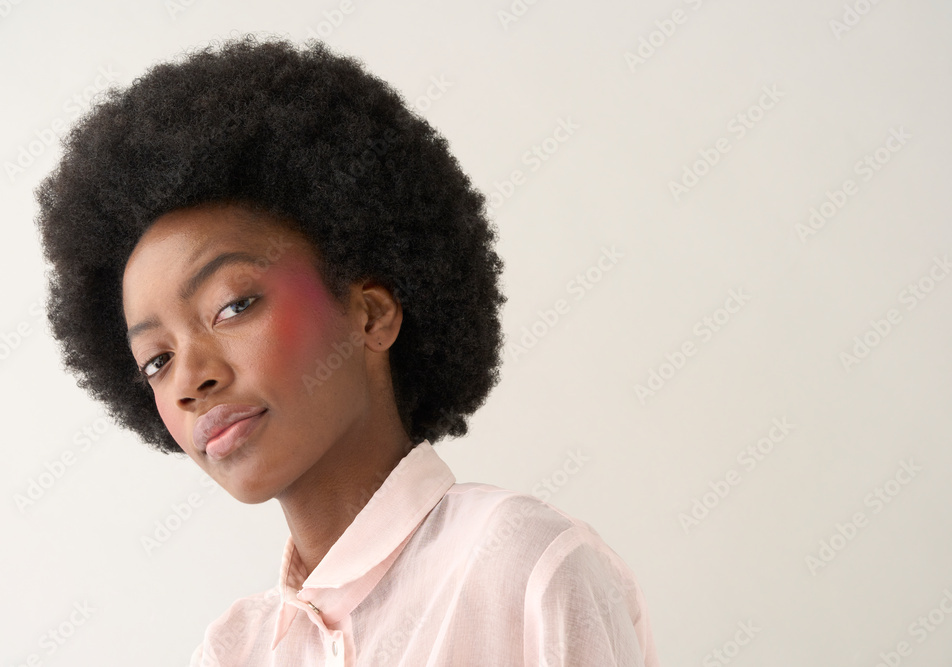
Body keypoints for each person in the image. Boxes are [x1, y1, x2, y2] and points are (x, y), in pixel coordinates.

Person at [35, 35, 660, 666]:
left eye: (233, 306)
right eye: (156, 360)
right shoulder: (232, 652)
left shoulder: (525, 570)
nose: (189, 380)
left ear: (371, 314)